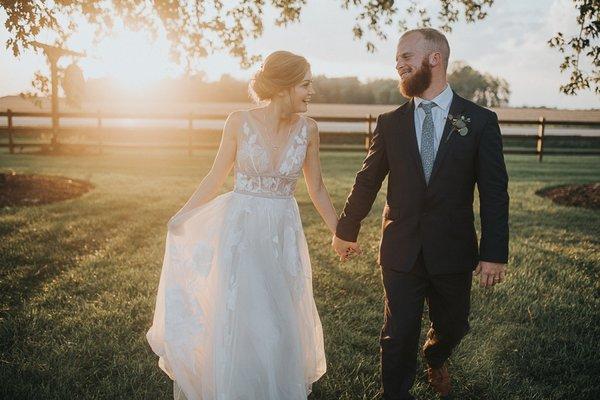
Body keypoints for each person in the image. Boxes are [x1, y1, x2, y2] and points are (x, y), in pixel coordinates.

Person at [146, 50, 336, 400]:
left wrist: (341, 233)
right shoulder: (238, 122)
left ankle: (277, 387)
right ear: (283, 86)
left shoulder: (309, 130)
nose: (311, 92)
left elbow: (318, 189)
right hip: (242, 230)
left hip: (283, 232)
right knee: (244, 310)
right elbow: (216, 176)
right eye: (306, 85)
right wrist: (183, 214)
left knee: (281, 316)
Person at [332, 28, 509, 400]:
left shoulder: (478, 121)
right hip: (401, 246)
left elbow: (494, 192)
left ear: (435, 59)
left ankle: (436, 353)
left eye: (406, 57)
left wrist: (494, 252)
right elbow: (367, 181)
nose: (398, 65)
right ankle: (395, 393)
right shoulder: (390, 123)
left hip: (453, 248)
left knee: (455, 324)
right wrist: (346, 229)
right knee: (398, 330)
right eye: (397, 58)